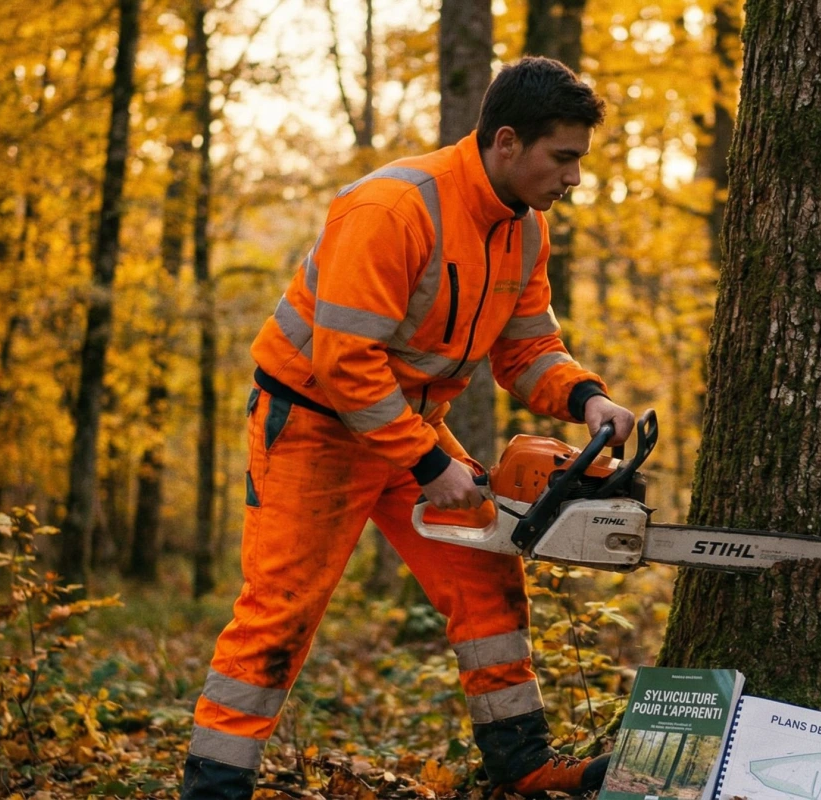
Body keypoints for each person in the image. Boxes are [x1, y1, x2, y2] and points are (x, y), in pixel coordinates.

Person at [180, 57, 635, 800]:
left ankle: (521, 764)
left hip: (409, 427)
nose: (573, 179)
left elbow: (526, 348)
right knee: (280, 611)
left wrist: (585, 397)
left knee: (488, 573)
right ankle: (213, 787)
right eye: (565, 158)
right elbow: (343, 360)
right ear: (508, 143)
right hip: (316, 426)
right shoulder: (395, 209)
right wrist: (429, 465)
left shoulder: (524, 231)